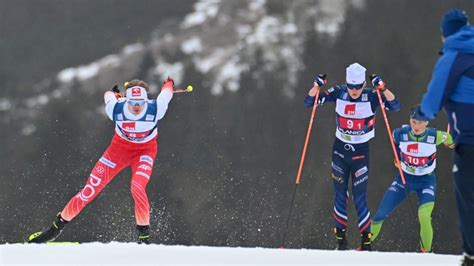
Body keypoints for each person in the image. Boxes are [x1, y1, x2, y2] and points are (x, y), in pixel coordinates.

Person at [28, 78, 175, 244]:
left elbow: (166, 93)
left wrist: (168, 83)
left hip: (144, 152)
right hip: (117, 151)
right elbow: (108, 94)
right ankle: (53, 230)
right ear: (126, 100)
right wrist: (114, 94)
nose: (136, 107)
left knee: (137, 187)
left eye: (140, 103)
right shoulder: (115, 108)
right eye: (133, 102)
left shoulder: (157, 109)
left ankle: (144, 239)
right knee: (89, 191)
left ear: (146, 101)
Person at [305, 63, 400, 250]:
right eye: (351, 86)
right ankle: (341, 241)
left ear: (364, 84)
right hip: (340, 151)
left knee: (359, 197)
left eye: (357, 87)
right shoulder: (339, 92)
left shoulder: (372, 96)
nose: (354, 91)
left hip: (361, 154)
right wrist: (316, 86)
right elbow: (311, 102)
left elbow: (395, 106)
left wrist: (384, 88)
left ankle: (366, 240)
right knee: (340, 196)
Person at [416, 8, 474, 265]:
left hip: (470, 141)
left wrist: (420, 113)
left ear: (445, 34)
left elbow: (433, 100)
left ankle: (471, 255)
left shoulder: (454, 55)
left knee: (467, 197)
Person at [371, 106, 454, 253]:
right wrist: (396, 158)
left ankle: (426, 253)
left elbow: (449, 138)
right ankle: (365, 244)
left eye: (420, 122)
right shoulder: (400, 133)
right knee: (380, 213)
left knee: (424, 215)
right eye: (414, 122)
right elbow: (394, 142)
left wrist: (450, 143)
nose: (416, 126)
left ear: (427, 122)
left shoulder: (435, 136)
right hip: (405, 179)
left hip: (426, 181)